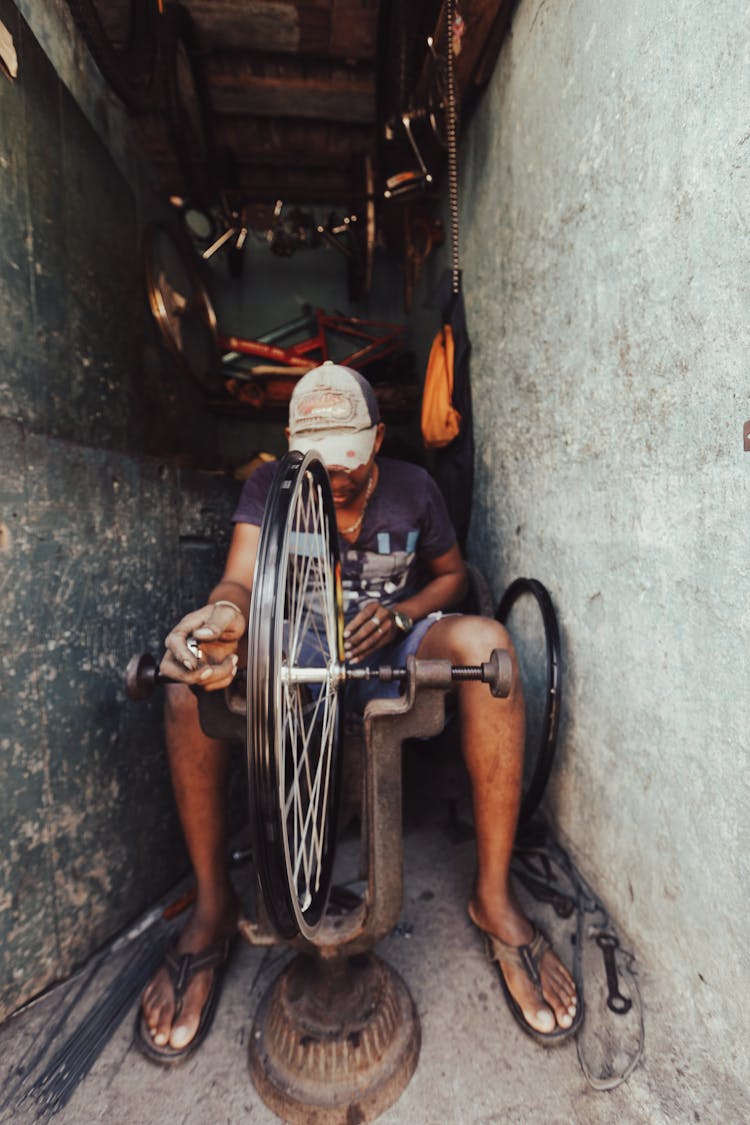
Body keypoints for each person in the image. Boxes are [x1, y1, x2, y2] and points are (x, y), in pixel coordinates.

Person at [136, 364, 580, 1065]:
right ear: (289, 442)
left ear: (376, 438)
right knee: (186, 685)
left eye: (352, 459)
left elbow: (451, 576)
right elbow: (241, 581)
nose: (337, 479)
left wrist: (401, 612)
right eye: (320, 461)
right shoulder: (268, 488)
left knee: (490, 648)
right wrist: (222, 616)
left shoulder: (414, 489)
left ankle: (493, 896)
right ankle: (214, 907)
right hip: (299, 649)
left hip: (397, 644)